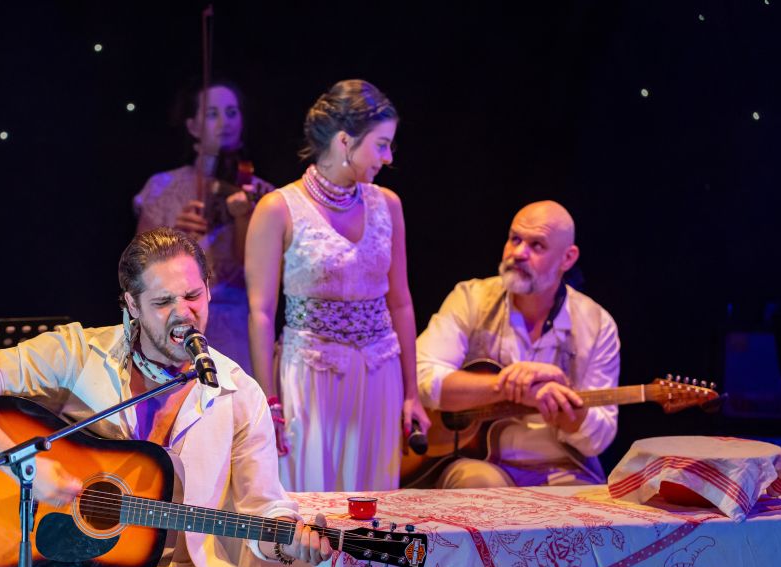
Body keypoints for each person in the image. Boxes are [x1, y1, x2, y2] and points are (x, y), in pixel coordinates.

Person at [0, 228, 336, 567]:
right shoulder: (77, 353)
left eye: (193, 296)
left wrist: (286, 539)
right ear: (131, 305)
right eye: (163, 302)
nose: (184, 313)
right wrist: (26, 464)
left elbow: (264, 507)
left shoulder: (237, 390)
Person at [245, 79, 429, 493]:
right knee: (312, 503)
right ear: (345, 141)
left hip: (380, 372)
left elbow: (401, 302)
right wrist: (267, 400)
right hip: (311, 375)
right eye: (381, 145)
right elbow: (260, 312)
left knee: (374, 504)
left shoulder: (388, 204)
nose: (388, 157)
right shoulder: (278, 208)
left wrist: (411, 393)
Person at [415, 200, 620, 489]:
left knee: (589, 507)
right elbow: (421, 377)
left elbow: (600, 436)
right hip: (479, 462)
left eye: (537, 246)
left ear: (567, 258)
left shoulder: (597, 324)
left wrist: (564, 406)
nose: (518, 253)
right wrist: (510, 388)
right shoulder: (471, 298)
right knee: (480, 487)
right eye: (515, 239)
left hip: (562, 467)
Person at [134, 81, 272, 373]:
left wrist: (244, 219)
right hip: (176, 324)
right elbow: (137, 271)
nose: (225, 122)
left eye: (232, 112)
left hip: (239, 329)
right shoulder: (162, 187)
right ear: (193, 126)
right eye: (212, 114)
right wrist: (173, 238)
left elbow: (259, 273)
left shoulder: (261, 193)